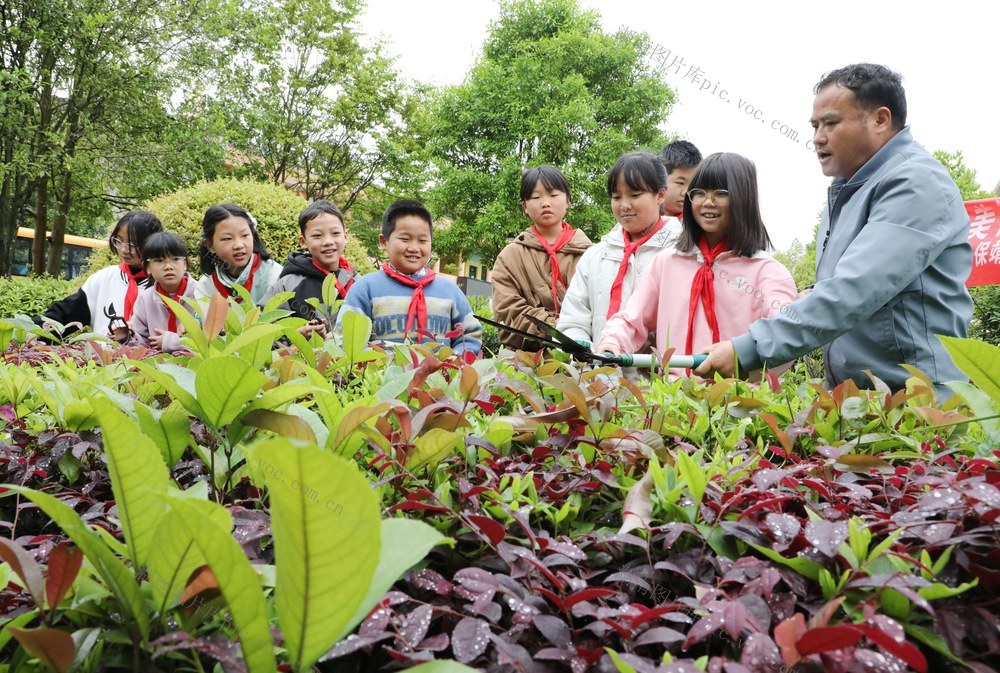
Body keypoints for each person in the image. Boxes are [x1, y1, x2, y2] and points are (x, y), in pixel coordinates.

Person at [695, 64, 973, 391]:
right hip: (859, 398)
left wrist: (753, 348)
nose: (817, 138)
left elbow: (854, 290)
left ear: (880, 120)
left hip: (915, 399)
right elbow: (851, 286)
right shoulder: (847, 191)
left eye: (831, 123)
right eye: (814, 125)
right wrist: (813, 294)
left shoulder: (915, 182)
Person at [595, 153, 797, 378]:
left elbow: (785, 336)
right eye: (699, 193)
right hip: (671, 403)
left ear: (744, 198)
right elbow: (632, 319)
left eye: (721, 193)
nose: (707, 202)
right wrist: (611, 345)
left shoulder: (767, 271)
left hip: (738, 404)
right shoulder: (667, 262)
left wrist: (744, 369)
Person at [557, 150, 682, 346]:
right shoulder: (596, 256)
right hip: (598, 373)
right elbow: (573, 319)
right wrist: (580, 348)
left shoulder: (682, 254)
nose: (624, 205)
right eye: (616, 197)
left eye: (635, 195)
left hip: (660, 375)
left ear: (660, 195)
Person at [337, 199, 482, 358]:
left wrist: (455, 360)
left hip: (439, 381)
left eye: (422, 240)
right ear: (384, 242)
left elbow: (470, 335)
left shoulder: (450, 291)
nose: (414, 248)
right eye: (405, 239)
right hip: (380, 381)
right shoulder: (365, 288)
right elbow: (345, 337)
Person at [490, 165, 591, 350]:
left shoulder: (592, 254)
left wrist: (577, 332)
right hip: (527, 360)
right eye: (536, 197)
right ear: (524, 206)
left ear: (568, 200)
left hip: (585, 358)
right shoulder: (510, 257)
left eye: (553, 195)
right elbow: (507, 312)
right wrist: (557, 330)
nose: (545, 203)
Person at [32, 210, 163, 338]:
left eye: (132, 244)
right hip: (103, 358)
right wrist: (29, 329)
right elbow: (65, 314)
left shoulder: (165, 284)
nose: (123, 249)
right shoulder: (103, 279)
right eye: (119, 241)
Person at [259, 200, 357, 338]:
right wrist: (297, 336)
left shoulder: (359, 282)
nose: (328, 241)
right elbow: (261, 333)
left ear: (345, 236)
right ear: (303, 241)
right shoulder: (288, 284)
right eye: (317, 235)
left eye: (335, 233)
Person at [194, 203, 281, 305]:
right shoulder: (207, 286)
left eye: (244, 235)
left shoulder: (274, 276)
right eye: (227, 238)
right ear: (210, 245)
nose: (239, 245)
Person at [124, 232, 197, 352]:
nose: (168, 266)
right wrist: (126, 336)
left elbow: (212, 339)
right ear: (147, 267)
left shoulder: (200, 293)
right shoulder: (145, 298)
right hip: (157, 367)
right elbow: (140, 341)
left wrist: (171, 341)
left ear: (185, 264)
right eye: (159, 260)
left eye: (175, 259)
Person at [660, 139, 703, 220]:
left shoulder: (696, 223)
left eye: (693, 184)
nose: (686, 192)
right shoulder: (644, 217)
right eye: (680, 183)